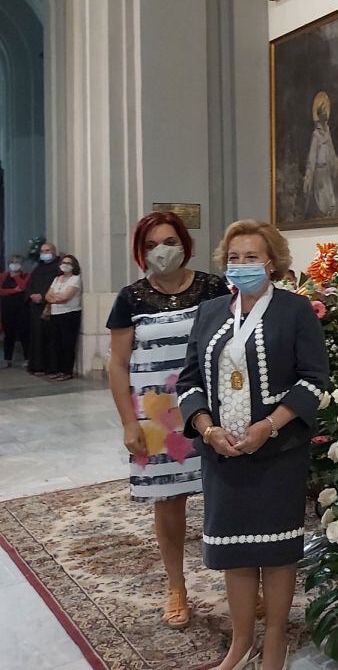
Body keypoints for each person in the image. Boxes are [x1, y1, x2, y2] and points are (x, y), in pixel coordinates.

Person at [178, 219, 329, 670]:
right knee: (235, 550)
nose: (241, 265)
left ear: (272, 262)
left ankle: (276, 643)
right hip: (221, 455)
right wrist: (207, 429)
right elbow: (188, 382)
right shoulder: (208, 313)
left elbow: (314, 381)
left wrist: (269, 425)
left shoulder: (294, 310)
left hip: (277, 453)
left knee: (277, 551)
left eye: (251, 257)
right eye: (234, 257)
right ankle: (241, 644)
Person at [106, 211, 230, 629]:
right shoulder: (131, 298)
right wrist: (129, 422)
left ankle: (242, 582)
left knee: (226, 497)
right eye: (152, 244)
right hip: (158, 417)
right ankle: (176, 586)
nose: (163, 251)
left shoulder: (213, 288)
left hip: (211, 411)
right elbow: (118, 364)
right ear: (141, 252)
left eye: (170, 241)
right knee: (169, 501)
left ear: (185, 243)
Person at [303, 91, 338, 217]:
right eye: (322, 111)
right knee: (323, 201)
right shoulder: (316, 136)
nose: (325, 115)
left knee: (331, 202)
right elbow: (311, 159)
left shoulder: (327, 133)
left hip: (327, 171)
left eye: (326, 111)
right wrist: (308, 176)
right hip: (319, 173)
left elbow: (331, 152)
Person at [45, 254, 83, 380]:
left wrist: (55, 297)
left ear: (73, 266)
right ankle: (57, 369)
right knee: (56, 344)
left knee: (67, 344)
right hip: (55, 314)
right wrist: (57, 297)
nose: (64, 265)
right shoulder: (57, 279)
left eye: (68, 263)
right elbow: (47, 296)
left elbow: (65, 297)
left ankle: (67, 371)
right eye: (63, 262)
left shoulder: (75, 279)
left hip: (70, 314)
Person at [26, 241, 61, 376]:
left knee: (50, 338)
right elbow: (30, 284)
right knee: (36, 337)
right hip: (35, 308)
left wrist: (43, 296)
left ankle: (50, 367)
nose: (44, 254)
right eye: (42, 251)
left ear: (53, 252)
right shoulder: (38, 268)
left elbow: (55, 286)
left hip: (49, 306)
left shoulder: (57, 269)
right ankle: (37, 365)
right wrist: (31, 295)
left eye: (47, 251)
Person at [0, 254, 30, 368]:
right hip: (7, 309)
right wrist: (13, 290)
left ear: (21, 265)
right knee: (9, 334)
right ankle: (7, 359)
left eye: (16, 262)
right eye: (12, 262)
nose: (14, 264)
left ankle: (27, 358)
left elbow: (23, 287)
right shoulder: (3, 276)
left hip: (22, 309)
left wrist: (16, 277)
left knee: (24, 333)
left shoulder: (26, 275)